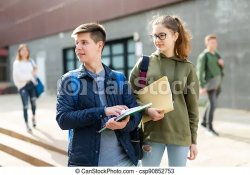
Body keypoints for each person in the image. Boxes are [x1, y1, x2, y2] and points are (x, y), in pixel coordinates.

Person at [56, 23, 141, 166]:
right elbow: (63, 119)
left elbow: (136, 114)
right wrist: (103, 111)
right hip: (87, 164)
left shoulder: (118, 78)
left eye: (84, 42)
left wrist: (123, 125)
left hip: (126, 162)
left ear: (99, 46)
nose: (78, 47)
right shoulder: (69, 80)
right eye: (77, 43)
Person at [129, 15, 199, 167]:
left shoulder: (187, 67)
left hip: (180, 134)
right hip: (151, 133)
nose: (157, 40)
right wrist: (147, 110)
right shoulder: (144, 63)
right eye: (154, 36)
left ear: (175, 35)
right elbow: (130, 96)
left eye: (162, 35)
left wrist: (193, 140)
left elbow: (192, 107)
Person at [196, 34, 224, 136]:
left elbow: (220, 68)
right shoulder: (204, 55)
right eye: (212, 42)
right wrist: (202, 86)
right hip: (210, 83)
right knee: (213, 104)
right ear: (207, 43)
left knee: (211, 103)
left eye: (215, 42)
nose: (214, 44)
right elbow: (199, 71)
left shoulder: (217, 54)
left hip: (218, 83)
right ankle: (209, 127)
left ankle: (203, 122)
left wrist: (221, 64)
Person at [13, 44, 37, 132]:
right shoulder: (17, 63)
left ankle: (33, 118)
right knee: (25, 106)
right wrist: (30, 75)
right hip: (22, 86)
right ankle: (27, 124)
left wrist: (32, 74)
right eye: (22, 50)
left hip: (31, 85)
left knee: (33, 103)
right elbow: (19, 77)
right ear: (19, 52)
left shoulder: (31, 61)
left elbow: (35, 71)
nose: (24, 52)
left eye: (26, 50)